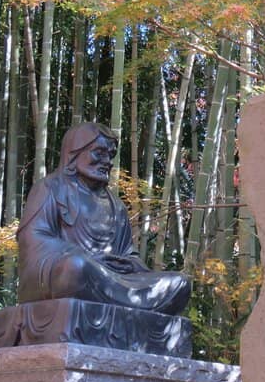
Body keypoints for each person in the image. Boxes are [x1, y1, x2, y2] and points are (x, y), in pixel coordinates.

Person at [16, 122, 189, 315]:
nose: (107, 161)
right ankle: (127, 307)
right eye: (99, 152)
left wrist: (131, 264)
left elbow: (127, 254)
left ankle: (121, 306)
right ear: (74, 152)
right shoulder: (51, 189)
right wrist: (86, 258)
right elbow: (32, 240)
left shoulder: (116, 205)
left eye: (110, 155)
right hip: (75, 272)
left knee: (179, 283)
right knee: (76, 268)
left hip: (112, 278)